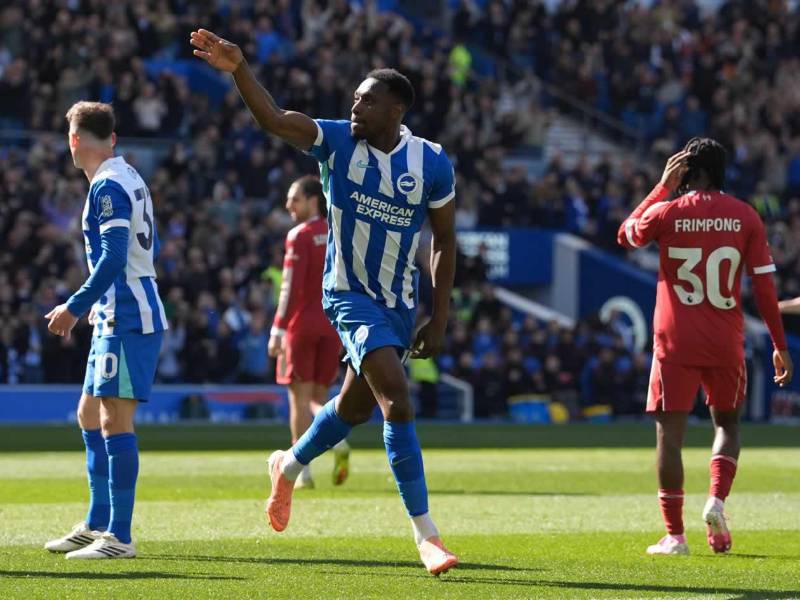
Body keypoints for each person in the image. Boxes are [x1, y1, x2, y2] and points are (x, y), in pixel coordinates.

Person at [191, 28, 459, 575]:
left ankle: (288, 465)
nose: (355, 107)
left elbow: (446, 240)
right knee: (398, 403)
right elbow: (274, 119)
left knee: (354, 408)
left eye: (368, 101)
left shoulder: (431, 163)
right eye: (355, 98)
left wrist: (439, 316)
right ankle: (427, 535)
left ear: (397, 110)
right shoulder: (336, 141)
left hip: (398, 304)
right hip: (348, 296)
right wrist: (240, 69)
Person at [618, 138, 793, 556]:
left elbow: (626, 235)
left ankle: (675, 536)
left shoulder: (667, 211)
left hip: (674, 340)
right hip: (725, 339)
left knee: (669, 438)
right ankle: (716, 501)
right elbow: (764, 289)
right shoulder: (745, 216)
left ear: (685, 169)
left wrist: (662, 186)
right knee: (727, 426)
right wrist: (779, 345)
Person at [44, 101, 166, 559]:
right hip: (116, 311)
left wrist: (75, 307)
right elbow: (141, 249)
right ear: (111, 138)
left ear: (74, 140)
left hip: (130, 315)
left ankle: (119, 536)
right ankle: (97, 521)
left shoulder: (108, 186)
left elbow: (115, 257)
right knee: (89, 413)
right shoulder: (128, 175)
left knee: (115, 418)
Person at [268, 175, 350, 489]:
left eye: (295, 198)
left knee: (299, 401)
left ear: (313, 200)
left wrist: (278, 328)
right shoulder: (338, 231)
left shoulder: (300, 235)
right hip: (332, 325)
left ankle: (302, 472)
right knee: (319, 397)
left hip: (301, 325)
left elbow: (290, 287)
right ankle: (335, 438)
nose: (288, 204)